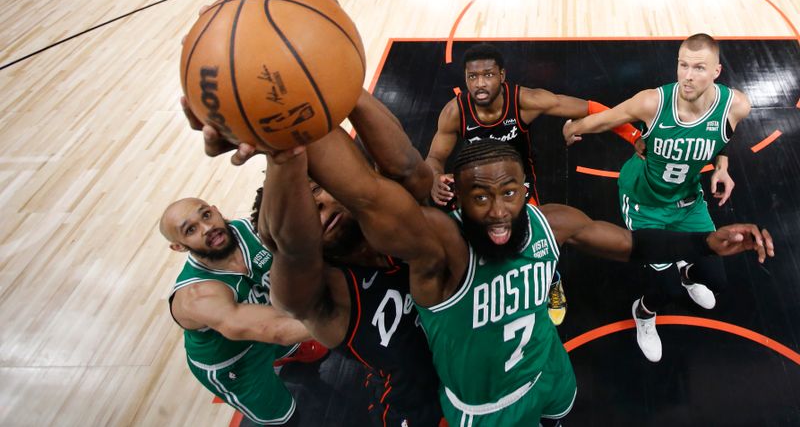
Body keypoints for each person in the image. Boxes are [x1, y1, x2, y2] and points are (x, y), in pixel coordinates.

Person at [264, 91, 772, 426]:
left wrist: (704, 244)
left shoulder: (553, 222)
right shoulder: (439, 250)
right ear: (455, 203)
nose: (498, 211)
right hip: (481, 410)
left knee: (561, 408)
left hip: (548, 368)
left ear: (526, 189)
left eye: (510, 192)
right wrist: (293, 130)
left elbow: (633, 245)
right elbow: (374, 189)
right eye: (479, 198)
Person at [183, 93, 444, 427]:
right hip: (424, 412)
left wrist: (335, 86)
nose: (316, 206)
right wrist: (280, 156)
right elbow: (290, 245)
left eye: (317, 190)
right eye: (303, 206)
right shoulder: (325, 295)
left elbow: (407, 168)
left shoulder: (394, 219)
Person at [562, 33, 752, 362]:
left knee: (715, 278)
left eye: (699, 68)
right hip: (645, 204)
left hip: (688, 202)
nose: (688, 76)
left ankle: (686, 272)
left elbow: (722, 140)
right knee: (664, 290)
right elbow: (606, 119)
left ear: (716, 72)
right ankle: (644, 314)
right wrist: (573, 127)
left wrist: (722, 166)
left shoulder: (736, 106)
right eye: (683, 66)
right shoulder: (653, 102)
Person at [425, 43, 643, 326]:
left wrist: (633, 135)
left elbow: (590, 108)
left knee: (537, 240)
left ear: (502, 75)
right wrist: (433, 177)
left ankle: (552, 281)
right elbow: (434, 157)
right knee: (477, 244)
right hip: (478, 187)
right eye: (472, 77)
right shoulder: (455, 112)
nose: (480, 84)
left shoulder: (525, 101)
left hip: (518, 185)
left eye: (488, 75)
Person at [162, 197, 315, 427]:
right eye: (191, 229)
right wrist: (341, 319)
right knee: (285, 418)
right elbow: (267, 329)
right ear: (179, 246)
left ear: (215, 210)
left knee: (312, 347)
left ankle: (288, 352)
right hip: (235, 361)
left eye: (205, 215)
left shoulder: (250, 229)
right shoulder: (196, 295)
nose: (207, 228)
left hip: (271, 321)